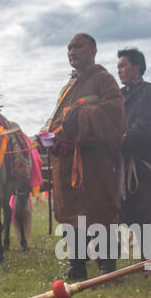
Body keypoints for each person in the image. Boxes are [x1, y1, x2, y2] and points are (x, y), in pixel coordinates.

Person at [44, 33, 127, 280]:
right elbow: (59, 118)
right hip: (67, 163)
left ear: (93, 50)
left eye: (78, 47)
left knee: (99, 211)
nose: (72, 52)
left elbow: (114, 114)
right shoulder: (69, 86)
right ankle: (77, 264)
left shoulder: (104, 80)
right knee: (71, 214)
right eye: (69, 48)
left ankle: (106, 268)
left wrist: (75, 118)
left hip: (93, 162)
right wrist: (50, 133)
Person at [116, 47, 151, 269]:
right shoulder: (117, 96)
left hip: (143, 166)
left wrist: (128, 136)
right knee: (126, 214)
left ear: (138, 67)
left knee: (146, 216)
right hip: (121, 166)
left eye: (124, 65)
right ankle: (140, 260)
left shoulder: (150, 93)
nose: (119, 70)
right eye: (118, 66)